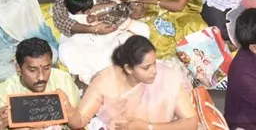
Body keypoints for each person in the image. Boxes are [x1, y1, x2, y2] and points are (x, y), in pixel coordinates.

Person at [69, 36, 198, 130]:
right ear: (128, 68)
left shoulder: (167, 77)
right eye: (146, 68)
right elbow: (79, 120)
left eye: (154, 63)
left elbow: (191, 122)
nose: (154, 71)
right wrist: (66, 110)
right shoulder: (105, 80)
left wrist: (147, 127)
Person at [0, 37, 80, 130]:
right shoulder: (5, 93)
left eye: (47, 68)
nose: (41, 77)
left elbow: (81, 125)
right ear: (18, 69)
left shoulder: (63, 81)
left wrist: (72, 117)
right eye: (32, 70)